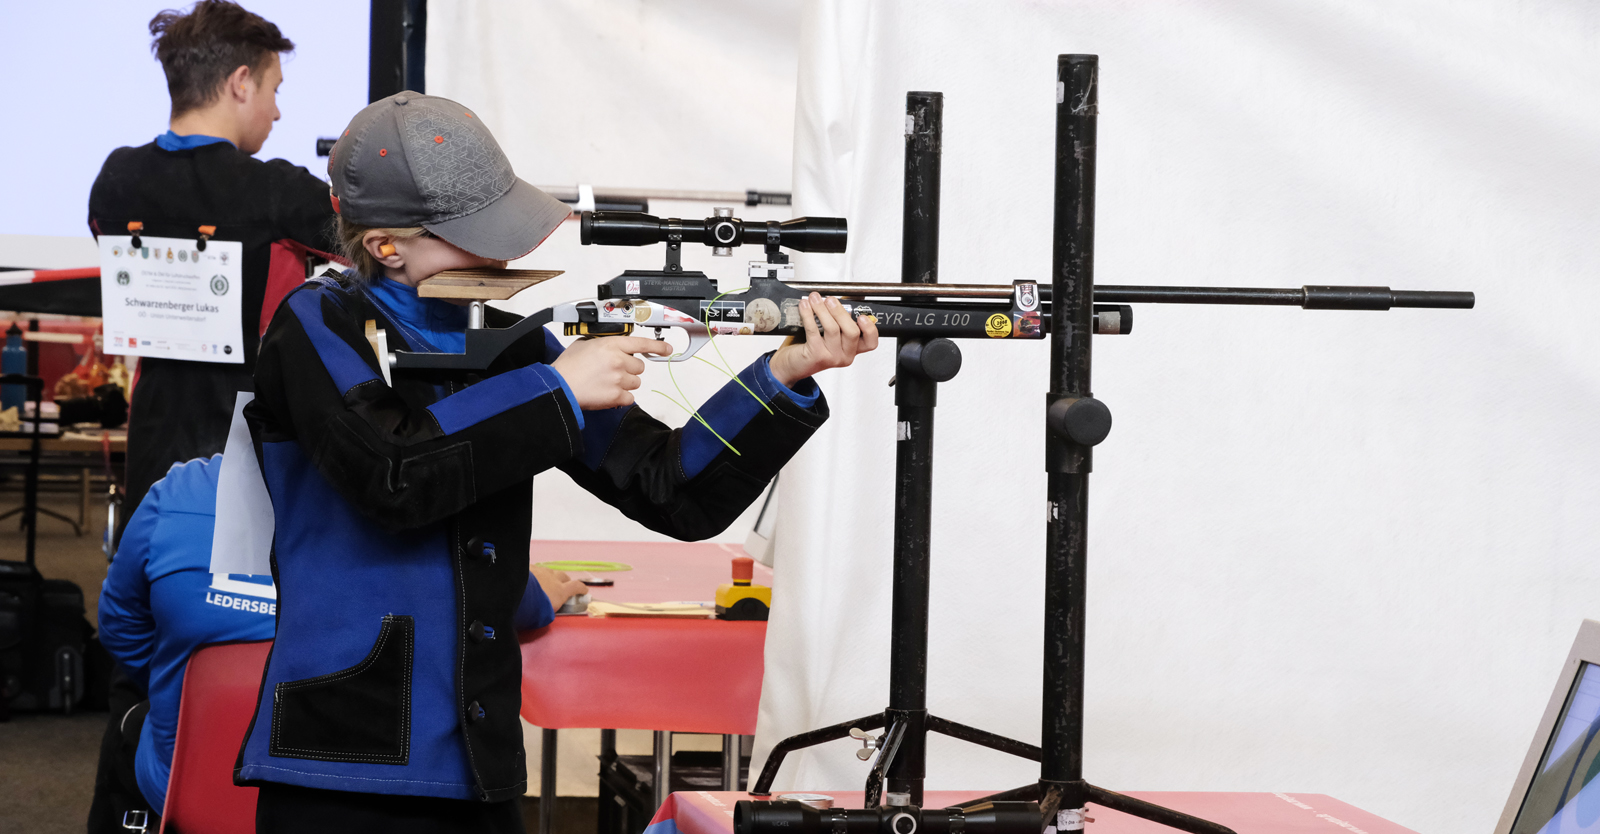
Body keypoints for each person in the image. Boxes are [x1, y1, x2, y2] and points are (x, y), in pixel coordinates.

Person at [233, 92, 877, 833]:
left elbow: (673, 490)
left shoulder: (514, 345)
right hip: (339, 762)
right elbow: (395, 472)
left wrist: (779, 376)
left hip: (477, 764)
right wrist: (558, 388)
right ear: (386, 246)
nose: (505, 253)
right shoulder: (316, 322)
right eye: (477, 235)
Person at [88, 0, 338, 536]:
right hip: (248, 457)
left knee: (151, 597)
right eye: (274, 90)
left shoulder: (115, 181)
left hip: (151, 446)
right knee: (244, 611)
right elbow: (381, 246)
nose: (277, 112)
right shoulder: (278, 192)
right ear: (241, 82)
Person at [89, 455, 278, 831]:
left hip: (184, 787)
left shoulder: (178, 494)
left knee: (131, 725)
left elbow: (118, 624)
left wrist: (185, 692)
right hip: (335, 796)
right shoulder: (401, 521)